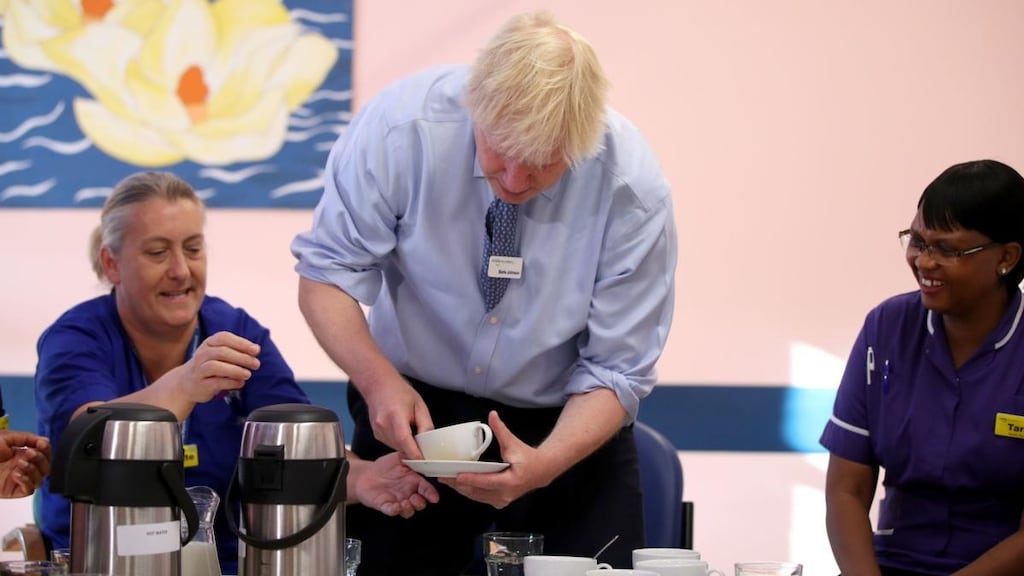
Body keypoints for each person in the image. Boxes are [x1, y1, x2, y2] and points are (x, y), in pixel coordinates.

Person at [291, 10, 677, 574]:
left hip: (565, 421)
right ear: (476, 104)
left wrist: (544, 465)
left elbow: (618, 370)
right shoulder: (403, 130)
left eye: (545, 162)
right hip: (414, 410)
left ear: (583, 140)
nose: (517, 181)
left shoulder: (632, 189)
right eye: (500, 151)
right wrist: (378, 384)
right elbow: (325, 274)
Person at [35, 171, 438, 575]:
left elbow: (300, 451)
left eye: (193, 249)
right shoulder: (76, 337)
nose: (180, 270)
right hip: (104, 561)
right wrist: (184, 384)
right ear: (112, 262)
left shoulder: (234, 330)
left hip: (226, 563)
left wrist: (365, 479)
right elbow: (85, 441)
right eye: (157, 253)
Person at [820, 159, 1024, 576]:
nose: (924, 262)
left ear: (1007, 256)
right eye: (917, 241)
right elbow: (846, 490)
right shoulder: (887, 327)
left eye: (948, 250)